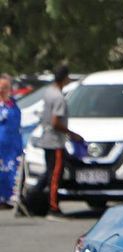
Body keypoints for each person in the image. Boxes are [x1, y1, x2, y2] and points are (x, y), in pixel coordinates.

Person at [31, 64, 82, 219]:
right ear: (65, 78)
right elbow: (55, 122)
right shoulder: (59, 97)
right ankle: (53, 207)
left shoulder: (49, 92)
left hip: (47, 139)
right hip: (55, 142)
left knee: (48, 172)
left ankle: (31, 199)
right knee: (55, 174)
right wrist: (72, 134)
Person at [0, 76, 21, 211]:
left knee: (9, 173)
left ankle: (5, 198)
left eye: (5, 87)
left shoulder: (13, 105)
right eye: (1, 87)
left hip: (11, 145)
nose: (2, 90)